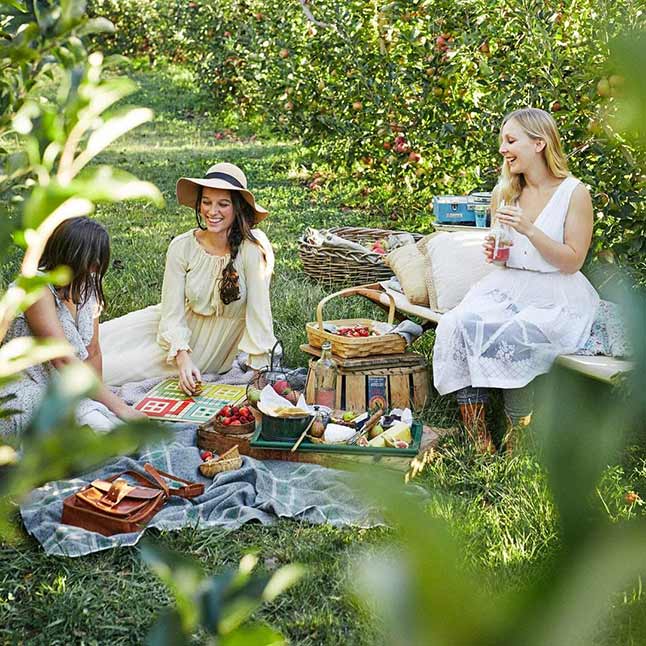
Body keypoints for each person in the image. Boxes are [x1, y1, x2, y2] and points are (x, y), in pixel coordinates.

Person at [432, 107, 599, 452]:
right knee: (458, 323)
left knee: (515, 334)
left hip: (556, 292)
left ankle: (516, 437)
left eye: (510, 141)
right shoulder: (506, 191)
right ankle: (478, 435)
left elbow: (572, 261)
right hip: (509, 286)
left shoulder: (574, 193)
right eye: (502, 142)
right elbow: (505, 258)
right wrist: (497, 251)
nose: (503, 150)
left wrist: (529, 229)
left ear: (539, 144)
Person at [100, 162, 277, 394]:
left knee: (101, 370)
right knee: (96, 339)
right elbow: (171, 312)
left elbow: (259, 314)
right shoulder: (182, 246)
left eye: (223, 204)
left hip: (205, 351)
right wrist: (182, 357)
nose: (212, 212)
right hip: (171, 331)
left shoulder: (253, 248)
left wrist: (259, 369)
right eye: (206, 202)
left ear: (238, 208)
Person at [0, 217, 146, 437]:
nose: (96, 266)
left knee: (115, 429)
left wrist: (104, 402)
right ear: (69, 255)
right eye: (92, 258)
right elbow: (62, 359)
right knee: (103, 435)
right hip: (24, 388)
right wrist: (121, 407)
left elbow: (93, 351)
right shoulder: (36, 288)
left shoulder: (88, 287)